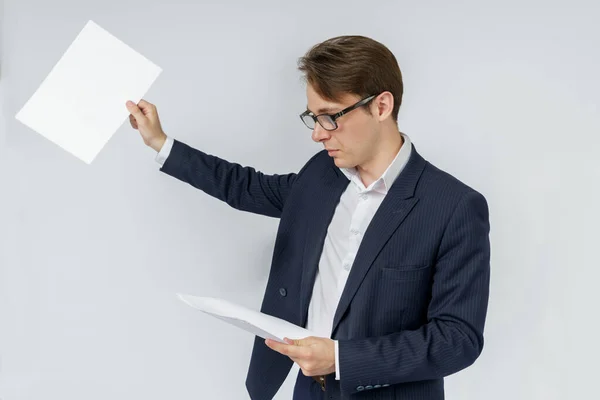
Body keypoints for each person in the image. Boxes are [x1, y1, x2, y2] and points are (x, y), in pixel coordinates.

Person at [126, 35, 490, 400]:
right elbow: (246, 187)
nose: (318, 134)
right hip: (309, 390)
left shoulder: (454, 207)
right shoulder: (322, 175)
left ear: (381, 106)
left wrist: (341, 358)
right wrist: (160, 142)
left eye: (330, 117)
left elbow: (457, 340)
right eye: (313, 118)